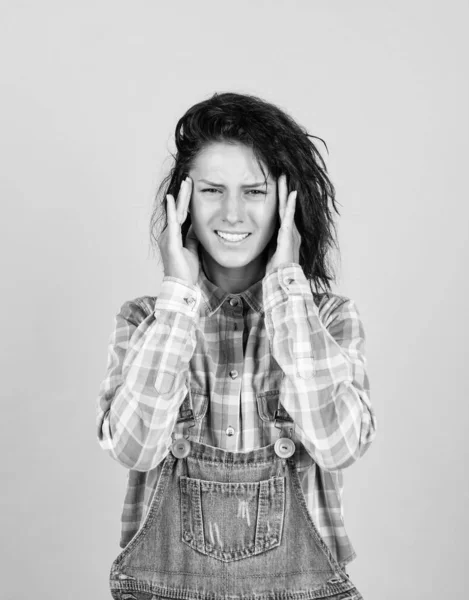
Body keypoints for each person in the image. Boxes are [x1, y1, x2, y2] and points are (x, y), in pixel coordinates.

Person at [96, 92, 377, 600]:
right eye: (211, 190)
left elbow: (340, 446)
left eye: (253, 191)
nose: (231, 212)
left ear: (287, 203)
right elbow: (133, 448)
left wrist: (290, 291)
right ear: (182, 201)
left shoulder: (329, 319)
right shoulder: (145, 320)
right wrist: (178, 301)